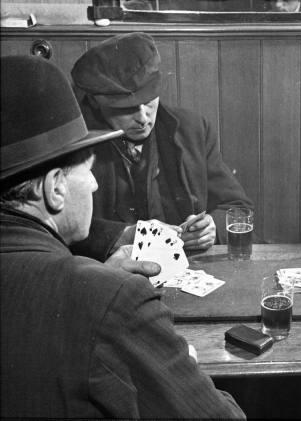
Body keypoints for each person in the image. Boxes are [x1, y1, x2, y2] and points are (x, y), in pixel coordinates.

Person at [0, 55, 246, 419]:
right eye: (88, 171)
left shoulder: (192, 127)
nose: (94, 183)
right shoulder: (113, 300)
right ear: (55, 189)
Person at [69, 32, 253, 261]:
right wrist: (124, 235)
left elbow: (237, 207)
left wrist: (212, 228)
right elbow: (57, 227)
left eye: (148, 101)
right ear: (96, 103)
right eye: (126, 109)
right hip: (111, 273)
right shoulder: (73, 145)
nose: (143, 118)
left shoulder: (192, 129)